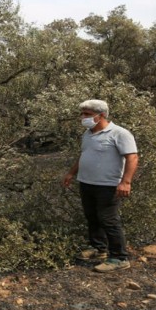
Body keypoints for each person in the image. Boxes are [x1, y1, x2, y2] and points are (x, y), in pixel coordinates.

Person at [61, 99, 138, 273]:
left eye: (87, 114)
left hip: (108, 185)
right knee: (92, 217)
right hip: (87, 182)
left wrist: (126, 182)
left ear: (101, 115)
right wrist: (71, 173)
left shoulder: (119, 133)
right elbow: (84, 155)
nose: (83, 117)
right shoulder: (88, 134)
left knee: (108, 220)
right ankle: (99, 249)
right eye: (82, 114)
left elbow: (132, 157)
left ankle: (119, 257)